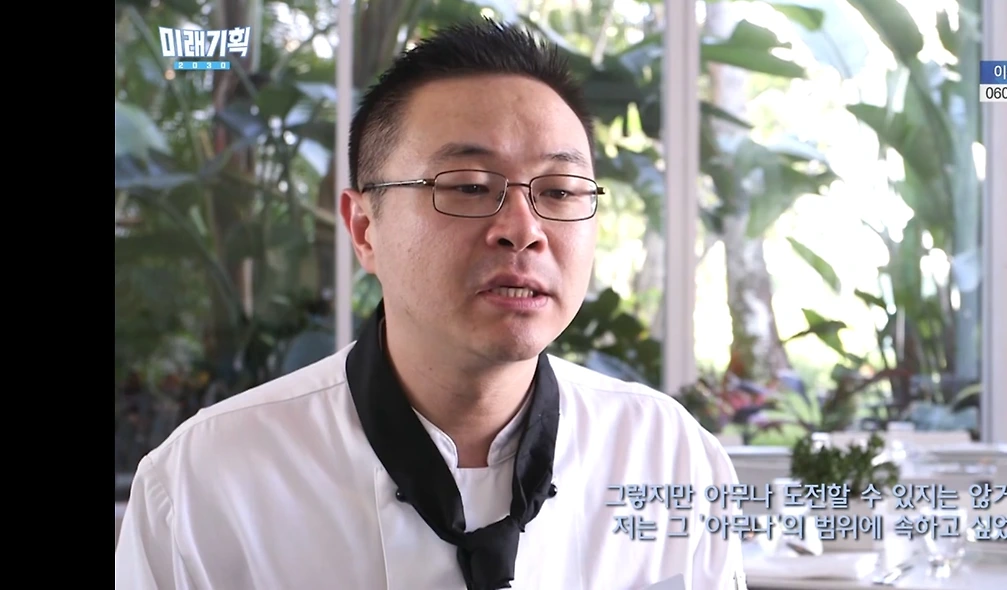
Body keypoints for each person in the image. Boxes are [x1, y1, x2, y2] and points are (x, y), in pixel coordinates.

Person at [115, 19, 746, 590]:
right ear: (364, 228)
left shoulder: (668, 456)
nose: (523, 229)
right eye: (468, 186)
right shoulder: (205, 484)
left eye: (559, 191)